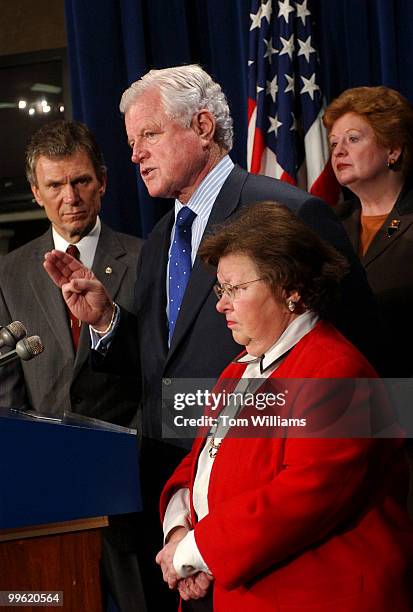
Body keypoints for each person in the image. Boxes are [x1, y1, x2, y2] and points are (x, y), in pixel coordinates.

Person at [43, 65, 382, 609]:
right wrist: (108, 321)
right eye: (131, 143)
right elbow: (164, 369)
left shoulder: (289, 214)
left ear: (202, 127)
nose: (135, 155)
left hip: (287, 547)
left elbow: (366, 383)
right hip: (179, 516)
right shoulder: (159, 240)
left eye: (149, 135)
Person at [156, 202, 413, 611]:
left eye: (236, 289)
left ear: (290, 289)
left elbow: (302, 499)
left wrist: (195, 552)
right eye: (221, 290)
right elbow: (200, 463)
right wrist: (177, 532)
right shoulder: (238, 371)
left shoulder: (339, 372)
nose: (221, 304)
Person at [0, 120, 146, 612]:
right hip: (48, 502)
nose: (71, 196)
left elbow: (157, 372)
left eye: (81, 180)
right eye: (56, 184)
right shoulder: (8, 274)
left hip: (134, 491)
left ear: (103, 180)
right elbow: (8, 393)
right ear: (36, 191)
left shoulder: (147, 260)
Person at [323, 85, 413, 377]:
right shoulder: (328, 225)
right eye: (334, 143)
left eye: (353, 139)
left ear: (393, 149)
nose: (339, 151)